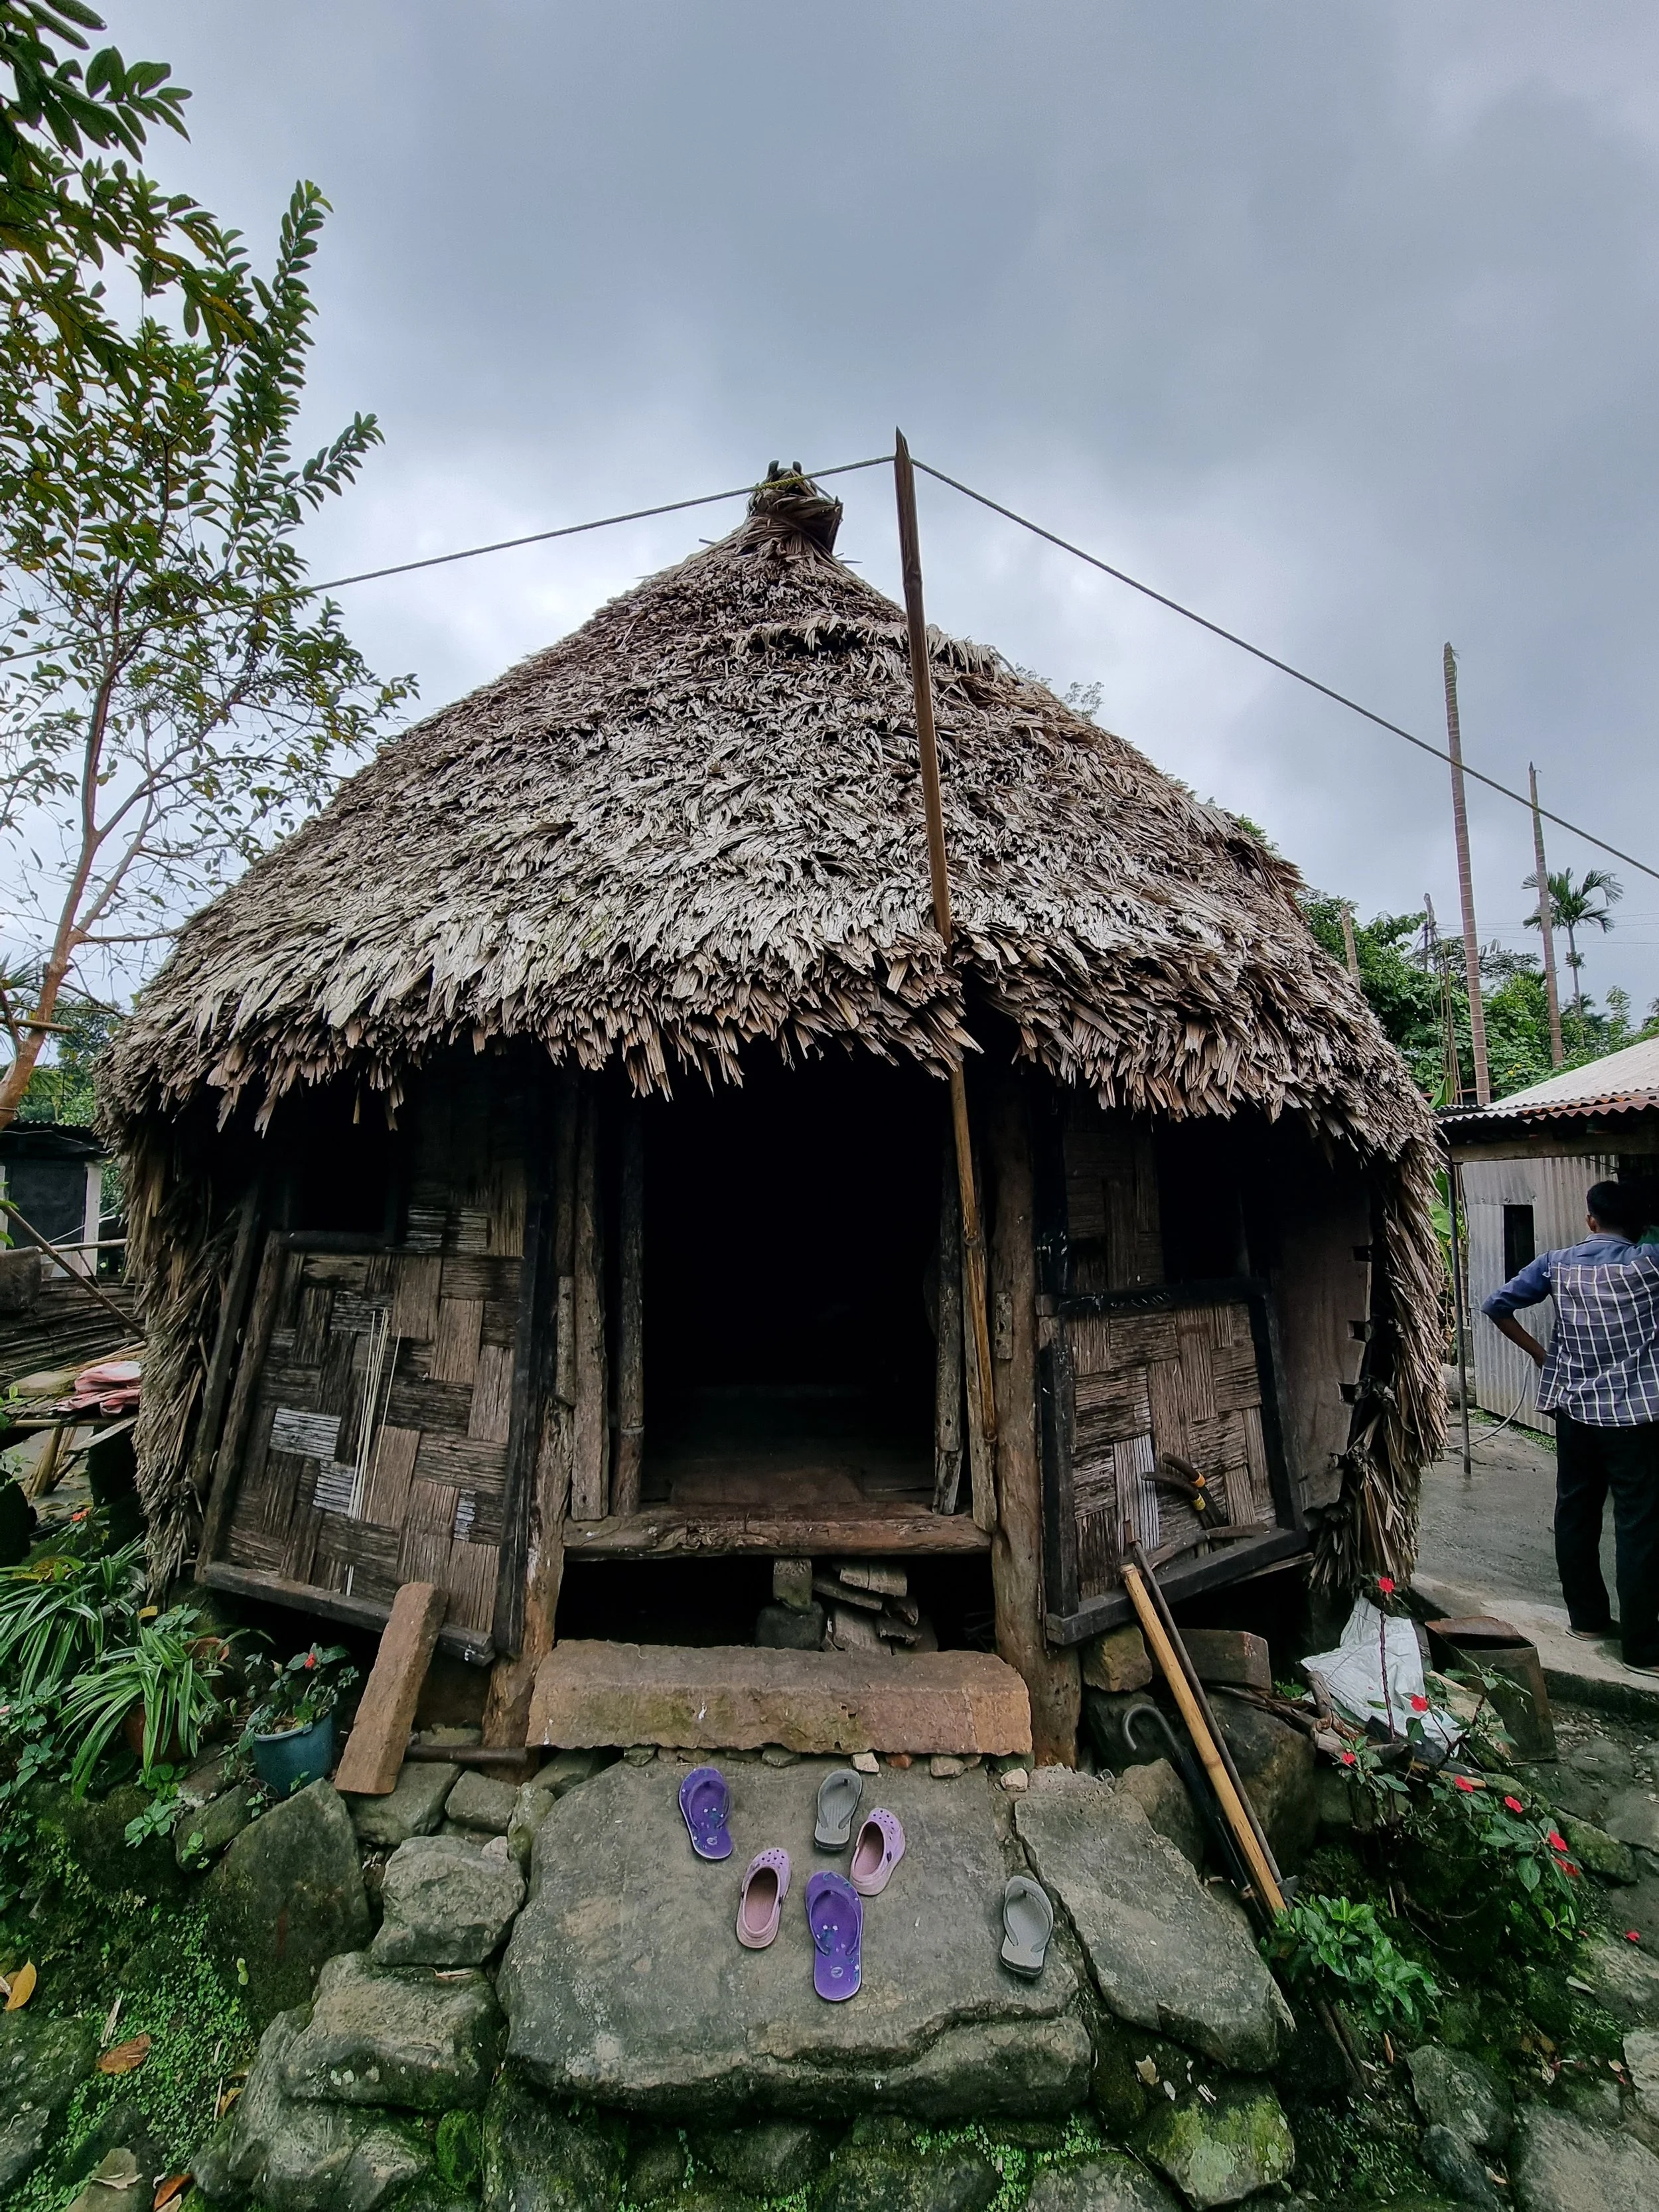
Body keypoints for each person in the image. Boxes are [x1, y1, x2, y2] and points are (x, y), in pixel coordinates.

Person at [1482, 1180, 1659, 1674]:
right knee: (1639, 1525)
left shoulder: (1556, 1263)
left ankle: (1587, 1620)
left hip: (1574, 1412)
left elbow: (1497, 1305)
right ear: (1641, 1226)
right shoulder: (1649, 1262)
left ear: (1591, 1220)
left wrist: (1544, 1356)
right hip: (1635, 1418)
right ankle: (1644, 1650)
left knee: (1577, 1512)